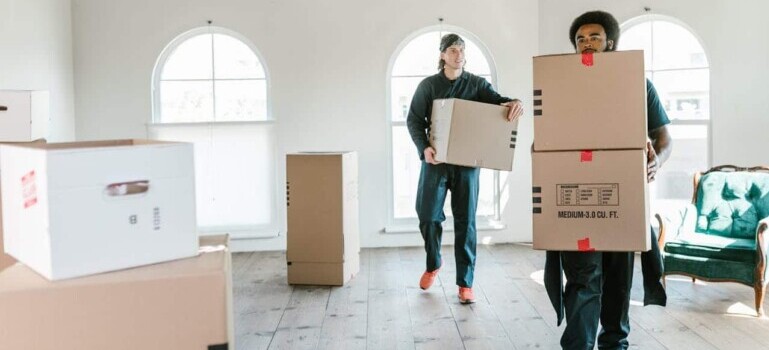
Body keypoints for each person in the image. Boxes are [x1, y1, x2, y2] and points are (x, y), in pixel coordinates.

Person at [544, 11, 673, 349]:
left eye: (594, 37)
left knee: (618, 283)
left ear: (610, 43)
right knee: (582, 281)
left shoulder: (638, 83)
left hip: (622, 198)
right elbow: (546, 137)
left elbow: (664, 138)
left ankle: (615, 343)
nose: (586, 43)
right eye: (580, 39)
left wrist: (656, 160)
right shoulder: (560, 85)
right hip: (575, 198)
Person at [406, 33, 524, 304]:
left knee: (466, 222)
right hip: (435, 162)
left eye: (461, 50)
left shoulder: (477, 84)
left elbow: (499, 102)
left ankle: (465, 283)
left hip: (467, 165)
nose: (458, 54)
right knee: (427, 215)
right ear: (442, 55)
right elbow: (414, 120)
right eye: (452, 50)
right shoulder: (428, 86)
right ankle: (433, 263)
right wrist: (424, 148)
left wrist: (515, 102)